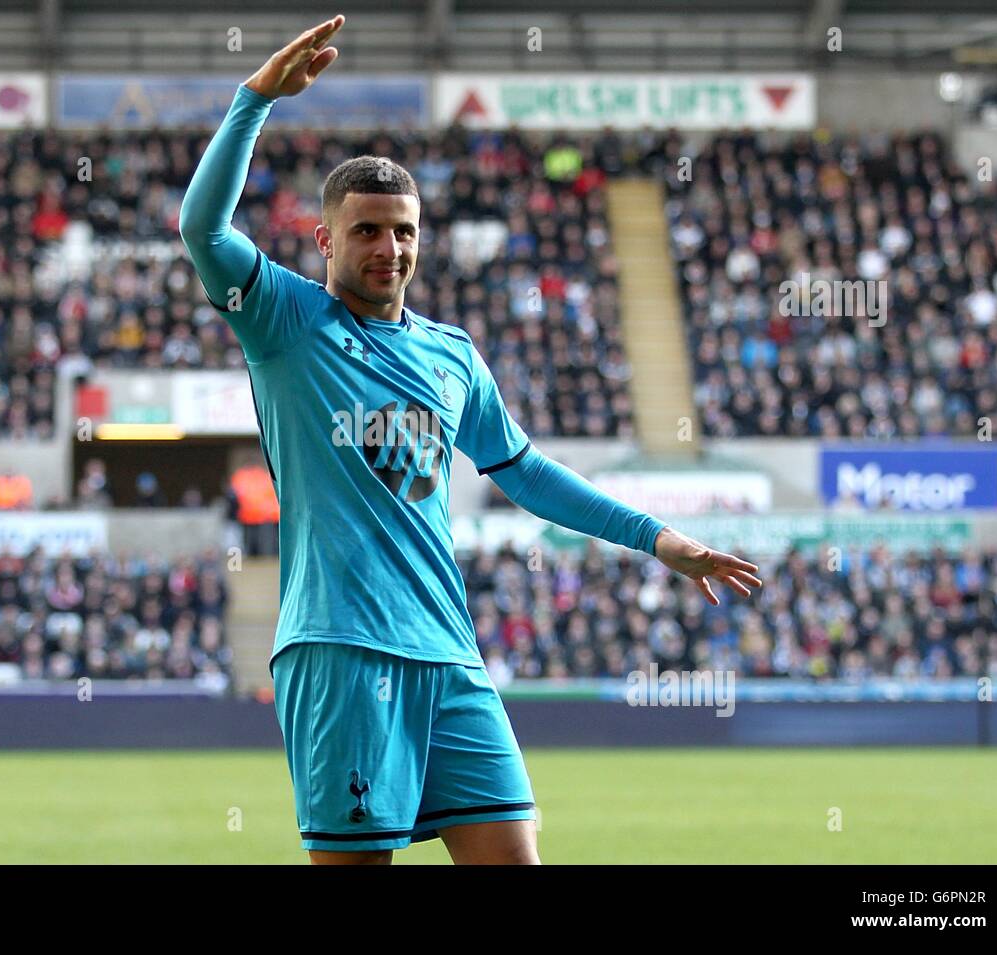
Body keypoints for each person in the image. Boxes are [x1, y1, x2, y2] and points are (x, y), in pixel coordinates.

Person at [179, 14, 761, 866]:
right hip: (342, 650)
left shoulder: (451, 354)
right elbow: (203, 230)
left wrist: (659, 538)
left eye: (405, 229)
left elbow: (525, 474)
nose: (390, 247)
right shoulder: (287, 320)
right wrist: (255, 99)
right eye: (369, 229)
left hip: (450, 654)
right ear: (326, 239)